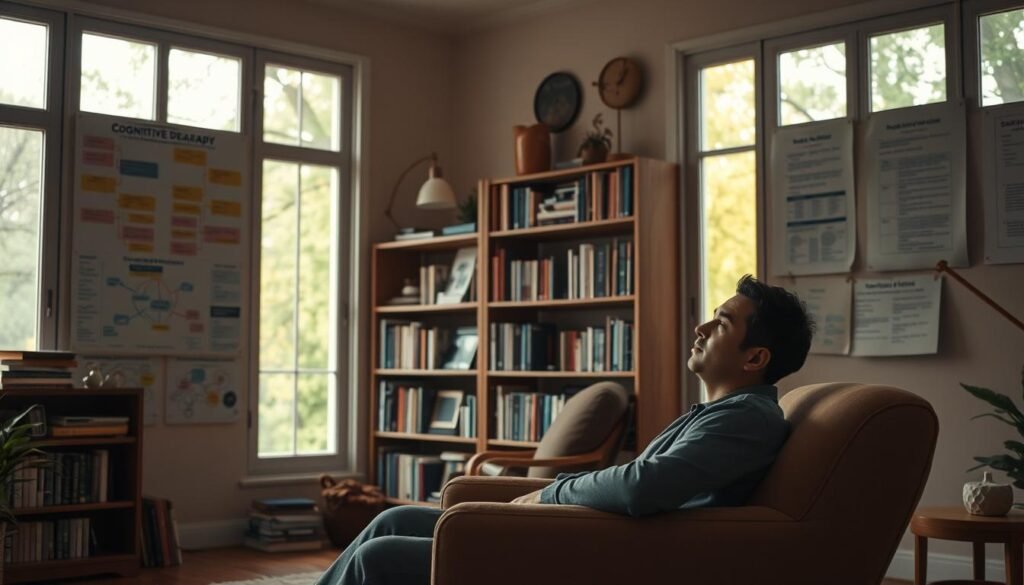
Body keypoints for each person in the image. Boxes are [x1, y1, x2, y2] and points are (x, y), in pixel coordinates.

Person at [316, 274, 814, 585]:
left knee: (380, 558)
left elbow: (642, 485)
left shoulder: (747, 419)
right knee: (393, 519)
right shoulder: (721, 413)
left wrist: (550, 495)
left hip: (608, 552)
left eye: (722, 323)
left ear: (755, 357)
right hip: (596, 531)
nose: (702, 329)